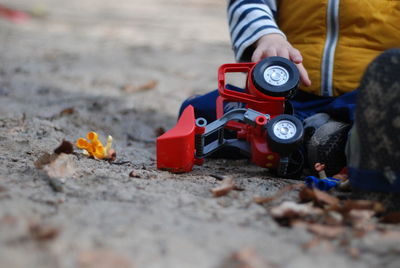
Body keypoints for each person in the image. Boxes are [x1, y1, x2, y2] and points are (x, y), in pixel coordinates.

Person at [181, 0, 400, 194]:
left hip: (362, 96)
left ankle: (320, 140)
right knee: (199, 112)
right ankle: (317, 140)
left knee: (378, 113)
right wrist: (267, 35)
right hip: (290, 93)